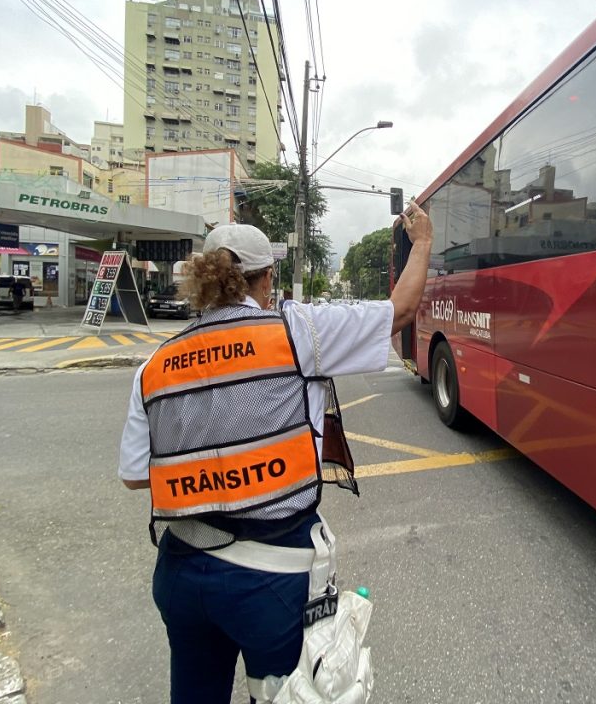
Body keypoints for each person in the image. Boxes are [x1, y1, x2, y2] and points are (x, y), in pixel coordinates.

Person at [119, 201, 432, 704]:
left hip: (182, 576)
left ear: (204, 281)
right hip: (271, 580)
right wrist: (421, 245)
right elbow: (401, 311)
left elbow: (137, 475)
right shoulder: (296, 331)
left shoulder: (155, 365)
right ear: (266, 281)